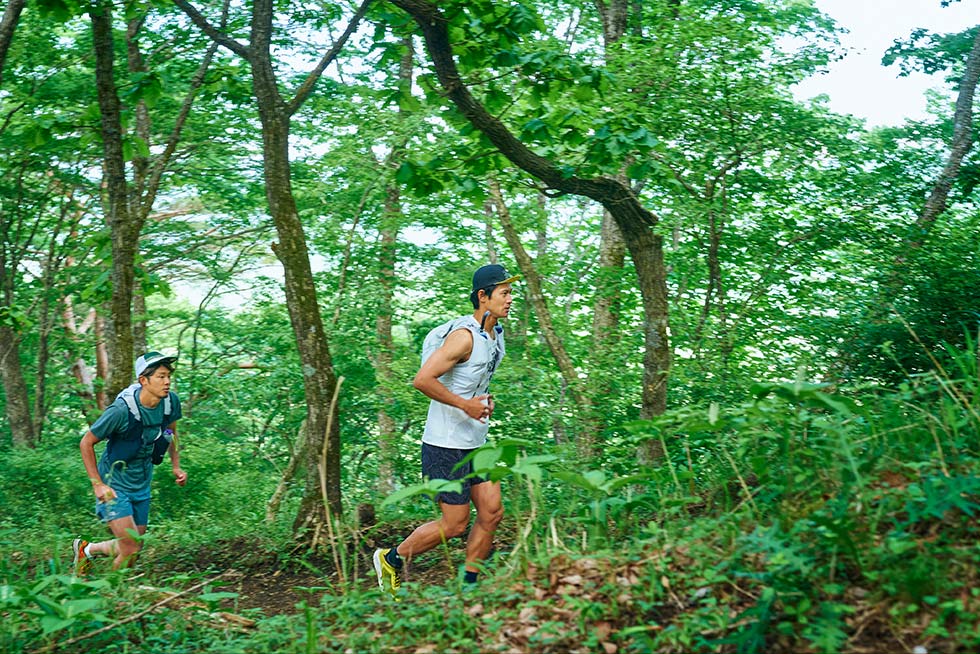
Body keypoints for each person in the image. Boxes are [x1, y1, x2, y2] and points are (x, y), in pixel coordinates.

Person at [374, 264, 519, 596]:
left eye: (511, 293)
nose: (511, 300)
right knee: (455, 524)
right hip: (444, 443)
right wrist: (465, 405)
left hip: (477, 441)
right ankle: (392, 559)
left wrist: (482, 401)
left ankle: (469, 587)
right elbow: (422, 380)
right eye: (505, 293)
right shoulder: (463, 337)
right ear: (483, 296)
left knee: (492, 511)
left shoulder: (496, 336)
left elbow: (473, 382)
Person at [72, 351, 187, 573]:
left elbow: (170, 432)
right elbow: (86, 443)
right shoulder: (121, 410)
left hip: (141, 483)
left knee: (134, 546)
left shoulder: (170, 402)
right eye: (161, 376)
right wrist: (98, 484)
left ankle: (86, 550)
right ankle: (111, 598)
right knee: (131, 548)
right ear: (143, 380)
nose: (167, 381)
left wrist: (176, 465)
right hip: (113, 485)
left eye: (168, 376)